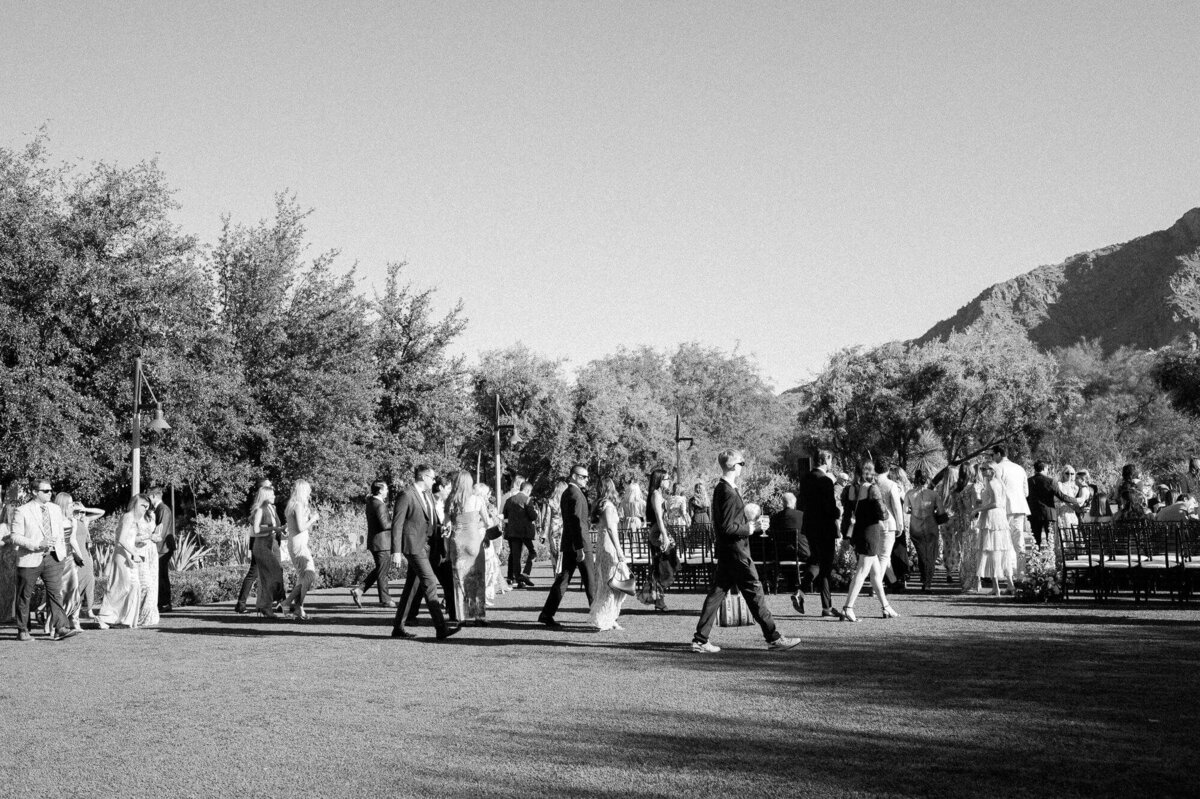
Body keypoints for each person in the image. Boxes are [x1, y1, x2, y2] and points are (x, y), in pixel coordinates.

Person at [691, 450, 801, 653]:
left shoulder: (722, 488)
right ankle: (774, 638)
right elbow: (727, 528)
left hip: (728, 551)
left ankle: (700, 640)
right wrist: (752, 527)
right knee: (754, 592)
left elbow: (726, 525)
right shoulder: (727, 492)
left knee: (716, 594)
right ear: (733, 466)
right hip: (737, 552)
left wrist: (750, 527)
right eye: (741, 463)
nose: (743, 467)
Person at [391, 464, 459, 640]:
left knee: (411, 588)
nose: (434, 481)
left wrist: (442, 528)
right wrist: (396, 551)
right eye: (432, 477)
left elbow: (431, 520)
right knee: (430, 582)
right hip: (414, 546)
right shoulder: (406, 494)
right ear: (423, 477)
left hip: (428, 546)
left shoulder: (427, 494)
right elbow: (397, 524)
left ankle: (398, 628)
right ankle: (441, 628)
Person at [9, 479, 78, 641]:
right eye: (46, 491)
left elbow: (59, 531)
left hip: (54, 557)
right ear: (34, 492)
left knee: (55, 594)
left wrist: (61, 551)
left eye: (51, 490)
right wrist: (37, 544)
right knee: (24, 596)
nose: (50, 493)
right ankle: (23, 630)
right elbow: (15, 537)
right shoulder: (22, 511)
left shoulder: (55, 509)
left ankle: (61, 628)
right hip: (29, 557)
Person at [840, 459, 900, 621]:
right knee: (862, 571)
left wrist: (846, 535)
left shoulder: (850, 489)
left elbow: (846, 514)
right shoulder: (872, 489)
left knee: (875, 573)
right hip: (871, 532)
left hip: (858, 532)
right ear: (870, 471)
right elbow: (883, 514)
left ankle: (886, 606)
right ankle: (848, 607)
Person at [538, 463, 594, 629]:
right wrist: (580, 548)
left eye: (587, 477)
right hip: (579, 544)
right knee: (590, 581)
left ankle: (547, 613)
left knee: (563, 580)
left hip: (569, 543)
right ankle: (598, 614)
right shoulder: (575, 494)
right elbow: (576, 523)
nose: (586, 480)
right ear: (574, 476)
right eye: (583, 477)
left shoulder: (567, 492)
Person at [96, 494, 158, 629]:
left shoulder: (134, 519)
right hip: (123, 556)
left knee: (131, 587)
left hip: (129, 555)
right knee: (122, 587)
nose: (145, 509)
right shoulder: (128, 517)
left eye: (147, 506)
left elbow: (131, 539)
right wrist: (134, 553)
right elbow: (121, 540)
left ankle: (123, 619)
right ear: (135, 504)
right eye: (142, 505)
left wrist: (148, 538)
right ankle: (107, 617)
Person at [797, 451, 842, 617]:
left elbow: (801, 503)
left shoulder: (806, 479)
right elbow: (829, 508)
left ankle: (802, 592)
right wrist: (838, 512)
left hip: (810, 527)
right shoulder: (825, 480)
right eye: (831, 460)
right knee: (825, 567)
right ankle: (826, 607)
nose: (831, 464)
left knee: (816, 562)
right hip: (825, 528)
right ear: (826, 460)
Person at [445, 472, 488, 626]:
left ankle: (461, 617)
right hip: (474, 541)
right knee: (477, 578)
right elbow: (487, 522)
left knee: (459, 580)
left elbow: (446, 526)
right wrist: (475, 526)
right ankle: (478, 616)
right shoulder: (477, 500)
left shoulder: (451, 500)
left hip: (458, 542)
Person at [586, 478, 629, 631]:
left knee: (607, 582)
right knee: (612, 583)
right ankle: (606, 617)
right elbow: (611, 528)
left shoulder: (599, 504)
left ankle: (609, 617)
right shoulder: (608, 506)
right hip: (609, 545)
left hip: (601, 544)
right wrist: (619, 550)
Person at [638, 468, 678, 613]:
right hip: (658, 535)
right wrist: (665, 536)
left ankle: (658, 599)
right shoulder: (655, 495)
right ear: (660, 480)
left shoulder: (660, 494)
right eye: (666, 479)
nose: (669, 481)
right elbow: (659, 518)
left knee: (667, 567)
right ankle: (654, 596)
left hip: (662, 532)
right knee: (664, 569)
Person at [351, 480, 394, 608]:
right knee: (383, 572)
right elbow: (385, 525)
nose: (387, 491)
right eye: (386, 489)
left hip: (376, 542)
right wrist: (398, 521)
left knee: (380, 570)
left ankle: (359, 590)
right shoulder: (379, 505)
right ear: (380, 490)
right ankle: (386, 600)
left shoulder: (371, 502)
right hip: (382, 543)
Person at [974, 463, 1015, 596]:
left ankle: (996, 587)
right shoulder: (998, 483)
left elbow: (996, 503)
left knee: (991, 550)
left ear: (992, 471)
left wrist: (978, 509)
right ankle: (1009, 584)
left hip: (992, 518)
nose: (982, 471)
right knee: (1000, 549)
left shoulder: (992, 483)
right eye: (982, 469)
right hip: (999, 517)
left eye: (985, 469)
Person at [234, 477, 274, 614]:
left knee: (261, 573)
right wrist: (273, 528)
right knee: (254, 573)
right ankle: (242, 604)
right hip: (258, 541)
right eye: (269, 487)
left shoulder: (264, 507)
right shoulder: (259, 508)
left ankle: (259, 604)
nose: (272, 489)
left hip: (262, 541)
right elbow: (256, 528)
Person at [282, 479, 319, 620]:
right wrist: (313, 519)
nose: (310, 493)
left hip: (298, 543)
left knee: (303, 577)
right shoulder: (297, 505)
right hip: (298, 545)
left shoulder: (294, 505)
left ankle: (298, 608)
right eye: (308, 490)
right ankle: (288, 603)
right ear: (303, 491)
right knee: (309, 575)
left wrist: (308, 515)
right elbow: (300, 527)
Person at [991, 445, 1030, 577]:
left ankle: (1007, 572)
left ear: (998, 454)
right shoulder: (1020, 468)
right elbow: (1026, 492)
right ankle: (1021, 573)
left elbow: (996, 490)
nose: (992, 458)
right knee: (1019, 541)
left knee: (1004, 541)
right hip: (1019, 507)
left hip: (1004, 508)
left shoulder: (998, 468)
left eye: (992, 455)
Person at [769, 491, 807, 613]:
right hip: (800, 552)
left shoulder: (775, 518)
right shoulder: (802, 516)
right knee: (815, 560)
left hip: (781, 554)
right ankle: (804, 587)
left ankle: (791, 583)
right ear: (794, 503)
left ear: (783, 503)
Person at [906, 470, 943, 593]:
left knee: (921, 554)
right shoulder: (934, 494)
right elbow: (941, 511)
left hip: (916, 527)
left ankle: (924, 578)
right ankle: (927, 583)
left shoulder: (910, 493)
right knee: (930, 555)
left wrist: (914, 510)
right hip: (931, 526)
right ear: (927, 480)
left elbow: (905, 510)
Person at [1028, 461, 1082, 546]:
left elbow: (1026, 496)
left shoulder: (1029, 481)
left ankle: (1036, 554)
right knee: (1050, 540)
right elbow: (1062, 496)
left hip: (1034, 514)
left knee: (1035, 540)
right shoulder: (1050, 481)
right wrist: (1076, 500)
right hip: (1048, 513)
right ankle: (1050, 554)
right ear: (1044, 468)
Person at [949, 464, 982, 590]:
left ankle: (966, 579)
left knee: (965, 551)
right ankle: (974, 581)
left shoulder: (956, 488)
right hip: (973, 521)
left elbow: (954, 507)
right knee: (973, 552)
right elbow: (976, 505)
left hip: (961, 522)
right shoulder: (973, 487)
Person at [876, 460, 907, 590]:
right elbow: (896, 506)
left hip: (873, 523)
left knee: (880, 555)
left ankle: (893, 581)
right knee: (884, 556)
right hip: (888, 523)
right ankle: (876, 585)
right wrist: (900, 525)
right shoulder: (891, 484)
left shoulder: (870, 483)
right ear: (888, 470)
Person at [503, 480, 538, 588]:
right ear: (527, 490)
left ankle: (518, 579)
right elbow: (533, 516)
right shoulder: (527, 500)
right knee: (533, 552)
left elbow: (505, 516)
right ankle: (525, 573)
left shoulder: (509, 500)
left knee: (516, 556)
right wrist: (536, 512)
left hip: (513, 532)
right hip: (525, 532)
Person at [148, 487, 175, 613]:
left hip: (163, 547)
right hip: (162, 547)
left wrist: (153, 543)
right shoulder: (160, 509)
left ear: (154, 496)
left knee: (161, 575)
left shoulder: (163, 509)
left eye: (149, 496)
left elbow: (161, 530)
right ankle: (162, 602)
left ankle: (164, 603)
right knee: (161, 575)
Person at [543, 479, 567, 567]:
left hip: (554, 530)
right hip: (565, 530)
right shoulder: (567, 502)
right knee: (564, 554)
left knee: (554, 553)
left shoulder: (550, 502)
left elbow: (547, 519)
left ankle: (556, 573)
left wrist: (544, 534)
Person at [1054, 465, 1081, 531]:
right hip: (1060, 512)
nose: (1069, 475)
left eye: (1072, 473)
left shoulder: (1075, 487)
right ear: (1063, 474)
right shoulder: (1059, 484)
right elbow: (1058, 498)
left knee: (1072, 532)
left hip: (1071, 512)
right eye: (1067, 473)